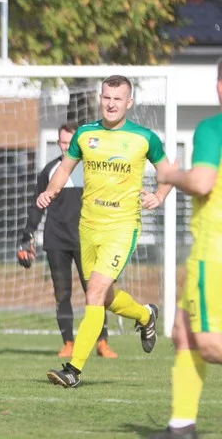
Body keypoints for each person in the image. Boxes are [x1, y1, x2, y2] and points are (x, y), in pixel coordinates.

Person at [39, 75, 171, 388]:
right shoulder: (85, 134)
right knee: (103, 295)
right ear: (101, 98)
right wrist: (51, 191)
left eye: (118, 98)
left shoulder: (144, 138)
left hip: (122, 227)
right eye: (106, 97)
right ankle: (144, 315)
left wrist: (160, 195)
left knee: (95, 293)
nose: (111, 104)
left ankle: (73, 370)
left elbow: (167, 173)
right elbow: (65, 168)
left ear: (129, 102)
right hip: (87, 227)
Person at [140, 61, 222, 439]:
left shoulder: (213, 128)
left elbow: (203, 182)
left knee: (208, 344)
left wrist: (171, 176)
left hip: (216, 252)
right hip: (204, 252)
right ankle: (181, 427)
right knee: (183, 332)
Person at [18, 122, 115, 359]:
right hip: (56, 241)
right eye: (61, 142)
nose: (65, 147)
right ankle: (68, 343)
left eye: (69, 143)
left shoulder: (92, 170)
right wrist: (27, 236)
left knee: (94, 293)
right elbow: (37, 206)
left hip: (86, 241)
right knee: (62, 293)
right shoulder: (50, 171)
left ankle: (102, 343)